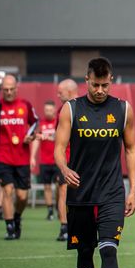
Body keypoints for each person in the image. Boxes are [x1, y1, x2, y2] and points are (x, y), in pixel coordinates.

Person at [54, 57, 135, 268]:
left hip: (112, 192)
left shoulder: (123, 109)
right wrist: (64, 167)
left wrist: (133, 189)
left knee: (109, 249)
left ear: (111, 81)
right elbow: (58, 146)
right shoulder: (71, 109)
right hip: (80, 193)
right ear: (86, 81)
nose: (100, 90)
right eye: (95, 84)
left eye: (104, 84)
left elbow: (131, 149)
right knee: (84, 252)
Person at [0, 75, 38, 240]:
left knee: (22, 196)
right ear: (1, 89)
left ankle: (17, 217)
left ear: (16, 88)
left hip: (22, 158)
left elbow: (35, 124)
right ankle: (9, 227)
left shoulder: (25, 105)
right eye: (5, 89)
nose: (8, 92)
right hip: (3, 157)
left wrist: (29, 137)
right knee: (7, 191)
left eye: (11, 89)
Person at [55, 79, 79, 241]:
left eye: (60, 92)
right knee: (63, 190)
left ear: (70, 91)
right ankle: (65, 227)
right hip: (66, 159)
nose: (57, 95)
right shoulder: (61, 110)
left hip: (82, 159)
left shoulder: (83, 107)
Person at [31, 100, 61, 222]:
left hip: (58, 161)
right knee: (47, 187)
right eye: (46, 110)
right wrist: (32, 156)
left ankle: (59, 207)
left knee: (60, 186)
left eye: (50, 110)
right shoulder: (41, 124)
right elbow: (37, 140)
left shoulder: (58, 122)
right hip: (45, 161)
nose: (48, 112)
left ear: (54, 110)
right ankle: (50, 211)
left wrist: (49, 137)